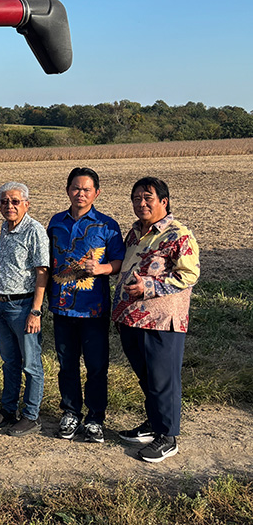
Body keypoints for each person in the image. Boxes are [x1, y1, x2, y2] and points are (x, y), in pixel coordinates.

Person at [113, 177, 200, 463]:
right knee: (147, 377)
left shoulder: (179, 234)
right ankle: (154, 424)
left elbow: (188, 275)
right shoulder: (135, 233)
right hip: (131, 317)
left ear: (164, 201)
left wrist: (149, 287)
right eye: (136, 198)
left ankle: (167, 437)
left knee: (164, 379)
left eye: (147, 198)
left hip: (162, 320)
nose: (141, 203)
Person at [47, 168, 125, 443]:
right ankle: (70, 412)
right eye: (76, 188)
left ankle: (95, 418)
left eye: (86, 189)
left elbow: (119, 263)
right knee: (66, 364)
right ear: (67, 190)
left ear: (97, 193)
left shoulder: (107, 225)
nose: (81, 194)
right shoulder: (56, 223)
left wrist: (102, 267)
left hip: (93, 309)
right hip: (61, 307)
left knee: (96, 366)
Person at [0, 182, 49, 437]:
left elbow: (42, 272)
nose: (9, 206)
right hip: (0, 304)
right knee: (9, 362)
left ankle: (31, 415)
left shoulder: (34, 231)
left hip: (22, 306)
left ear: (26, 204)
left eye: (14, 201)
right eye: (4, 201)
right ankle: (8, 409)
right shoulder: (6, 227)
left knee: (31, 364)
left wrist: (35, 311)